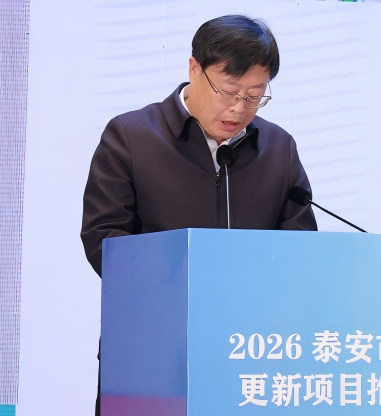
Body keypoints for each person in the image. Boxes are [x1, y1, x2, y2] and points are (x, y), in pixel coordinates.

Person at [81, 14, 317, 415]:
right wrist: (189, 286)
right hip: (150, 351)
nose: (239, 108)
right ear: (195, 69)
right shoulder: (131, 136)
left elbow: (300, 250)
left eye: (255, 95)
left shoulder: (278, 148)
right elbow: (104, 240)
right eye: (229, 91)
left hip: (247, 354)